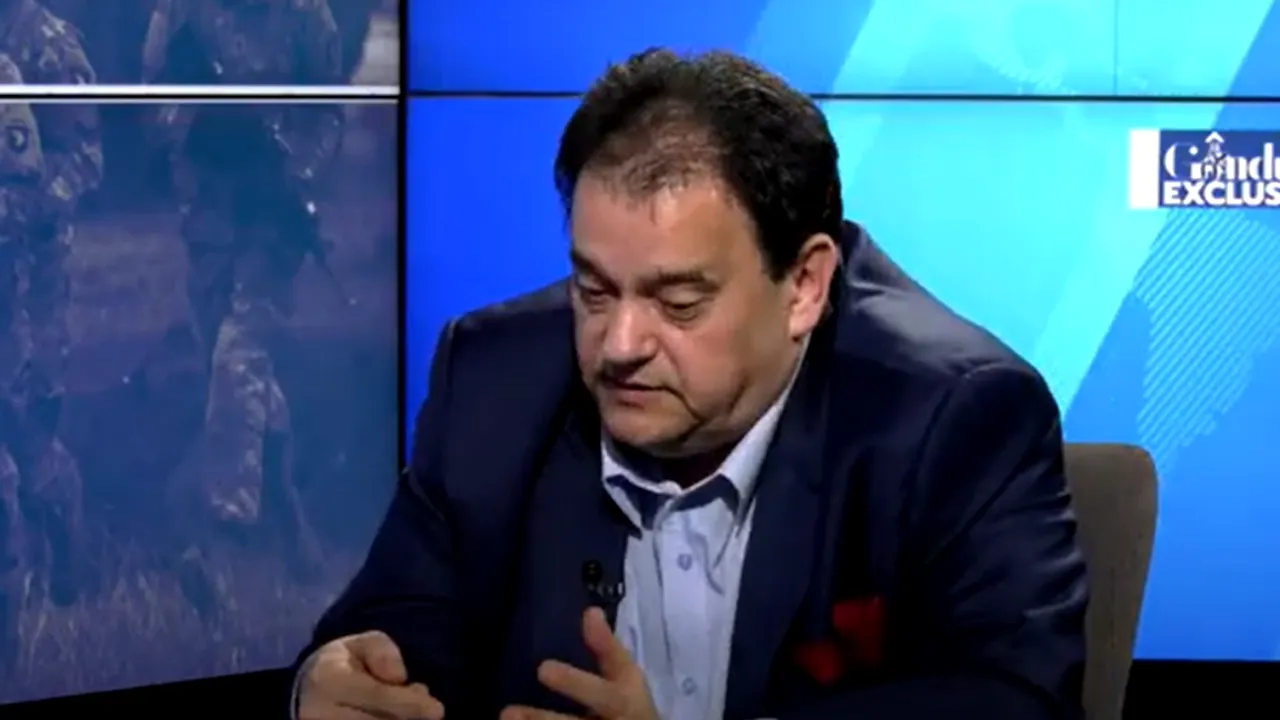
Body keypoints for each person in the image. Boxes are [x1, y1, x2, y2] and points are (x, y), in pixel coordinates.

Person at [296, 49, 1089, 720]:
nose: (620, 346)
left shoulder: (952, 416)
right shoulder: (493, 380)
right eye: (593, 289)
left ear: (805, 287)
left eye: (678, 303)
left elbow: (1014, 700)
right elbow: (393, 627)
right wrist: (330, 686)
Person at [138, 0, 342, 620]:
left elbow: (328, 112)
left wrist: (295, 173)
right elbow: (152, 103)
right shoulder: (181, 13)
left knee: (240, 352)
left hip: (272, 221)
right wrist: (201, 126)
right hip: (209, 213)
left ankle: (219, 535)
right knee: (235, 373)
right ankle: (290, 514)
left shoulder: (307, 14)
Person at [0, 0, 101, 621]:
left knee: (29, 428)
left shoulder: (50, 45)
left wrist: (23, 210)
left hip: (34, 269)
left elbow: (86, 161)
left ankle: (64, 536)